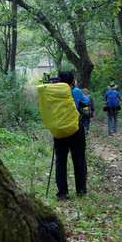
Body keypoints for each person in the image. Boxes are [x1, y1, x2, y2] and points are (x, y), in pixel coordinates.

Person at [54, 71, 89, 199]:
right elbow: (86, 102)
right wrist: (76, 88)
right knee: (79, 159)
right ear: (72, 82)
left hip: (59, 129)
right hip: (75, 129)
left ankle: (62, 192)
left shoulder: (53, 92)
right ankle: (81, 190)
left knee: (60, 161)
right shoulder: (75, 91)